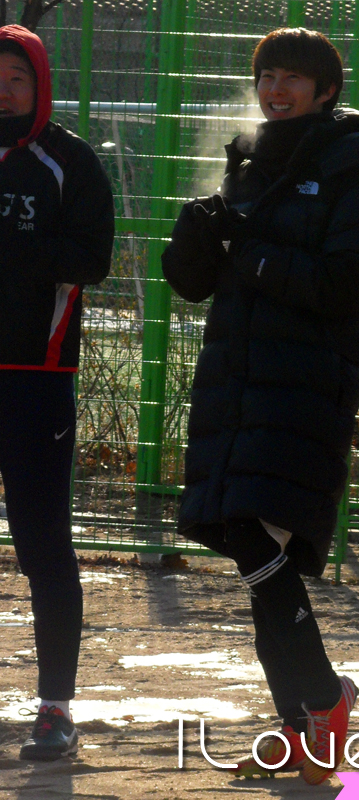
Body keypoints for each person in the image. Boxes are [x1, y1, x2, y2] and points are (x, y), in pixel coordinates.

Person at [162, 27, 359, 784]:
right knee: (246, 544)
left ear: (326, 91)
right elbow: (194, 283)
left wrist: (252, 248)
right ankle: (304, 727)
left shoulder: (357, 179)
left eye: (293, 77)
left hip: (304, 388)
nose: (275, 89)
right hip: (236, 387)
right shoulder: (251, 167)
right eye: (267, 75)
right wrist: (198, 234)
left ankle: (325, 699)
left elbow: (345, 284)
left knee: (251, 538)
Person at [0, 25, 114, 760]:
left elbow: (93, 259)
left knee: (43, 545)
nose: (4, 91)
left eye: (16, 77)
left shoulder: (70, 161)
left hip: (34, 382)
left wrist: (18, 248)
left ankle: (55, 708)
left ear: (39, 84)